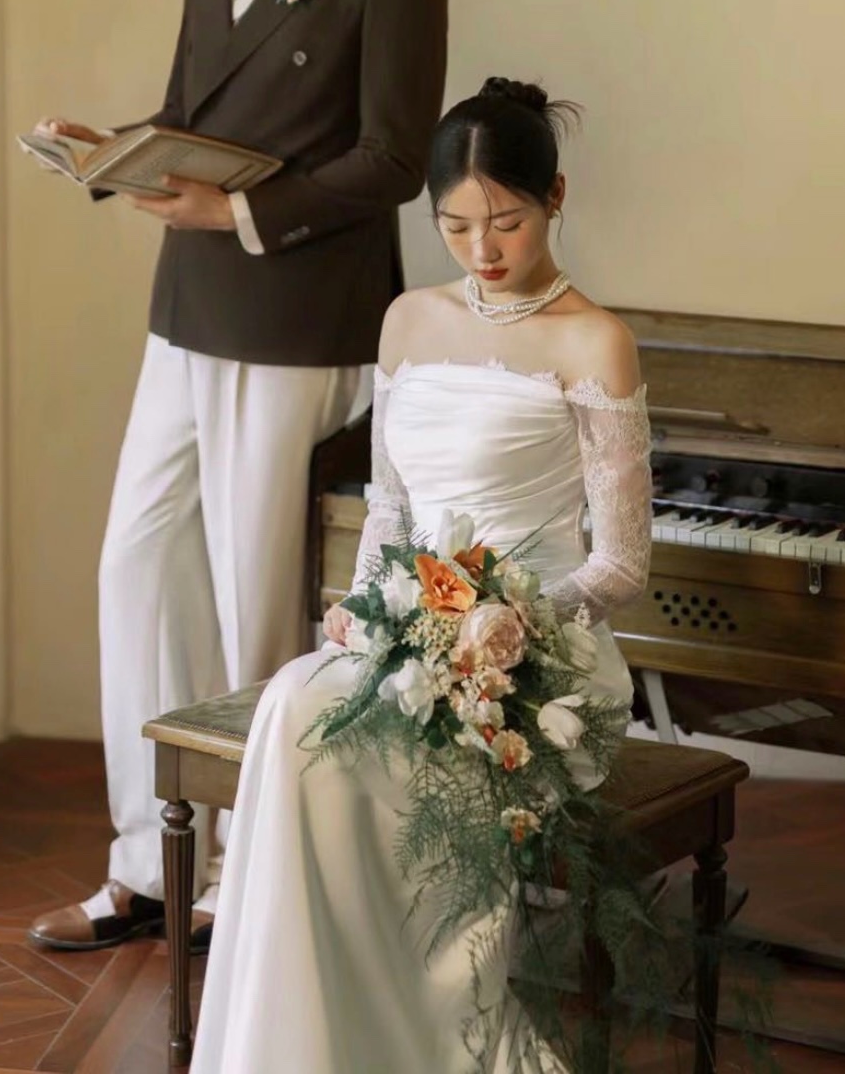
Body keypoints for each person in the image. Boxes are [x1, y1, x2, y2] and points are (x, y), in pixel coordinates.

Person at [27, 0, 448, 952]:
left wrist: (244, 213)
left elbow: (396, 159)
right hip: (188, 307)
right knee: (136, 568)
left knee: (254, 599)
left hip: (300, 319)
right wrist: (114, 152)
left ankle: (249, 872)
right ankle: (149, 862)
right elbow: (194, 115)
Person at [193, 77, 652, 1072]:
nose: (484, 249)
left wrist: (503, 625)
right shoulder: (406, 319)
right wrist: (367, 608)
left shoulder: (595, 341)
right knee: (293, 707)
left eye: (508, 222)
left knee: (387, 757)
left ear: (555, 197)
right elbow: (391, 510)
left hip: (539, 658)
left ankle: (433, 1039)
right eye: (456, 226)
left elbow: (620, 564)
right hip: (414, 624)